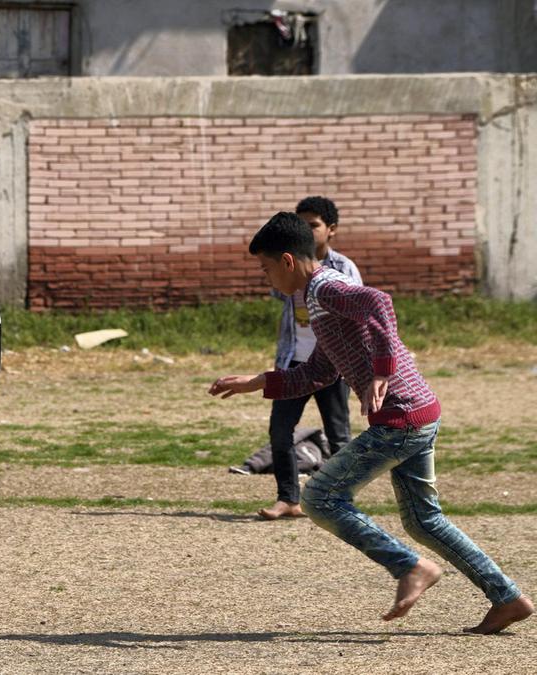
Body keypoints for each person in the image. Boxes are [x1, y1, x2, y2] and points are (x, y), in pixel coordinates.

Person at [209, 211, 532, 634]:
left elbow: (379, 301)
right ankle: (507, 597)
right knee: (422, 520)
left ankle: (411, 567)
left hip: (400, 418)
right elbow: (318, 372)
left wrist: (382, 369)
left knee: (321, 498)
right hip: (418, 412)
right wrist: (259, 382)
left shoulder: (325, 287)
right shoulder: (318, 301)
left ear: (287, 261)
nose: (266, 278)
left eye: (265, 268)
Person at [256, 196, 360, 521]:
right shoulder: (286, 266)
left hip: (331, 364)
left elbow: (365, 314)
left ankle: (342, 501)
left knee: (338, 435)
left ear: (331, 230)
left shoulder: (342, 271)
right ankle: (288, 498)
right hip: (293, 362)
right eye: (302, 225)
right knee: (280, 430)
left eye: (314, 225)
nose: (307, 231)